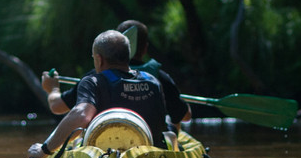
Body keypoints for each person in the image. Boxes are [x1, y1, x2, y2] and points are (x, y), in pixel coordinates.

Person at [28, 29, 171, 158]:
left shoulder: (93, 81)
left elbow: (81, 116)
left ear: (99, 59)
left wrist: (44, 149)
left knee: (79, 140)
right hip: (152, 156)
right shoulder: (153, 81)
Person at [40, 20, 191, 128]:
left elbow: (57, 107)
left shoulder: (96, 78)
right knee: (172, 128)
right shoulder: (158, 78)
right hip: (150, 146)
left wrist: (53, 89)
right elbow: (185, 116)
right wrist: (181, 101)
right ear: (145, 49)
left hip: (106, 146)